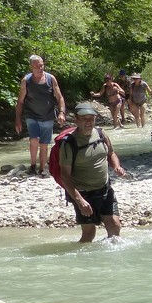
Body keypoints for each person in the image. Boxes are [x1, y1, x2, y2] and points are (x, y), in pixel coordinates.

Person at [58, 101, 129, 243]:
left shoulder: (101, 134)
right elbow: (64, 176)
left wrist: (116, 166)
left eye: (92, 118)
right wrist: (79, 201)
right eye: (84, 119)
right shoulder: (69, 144)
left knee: (115, 226)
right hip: (83, 194)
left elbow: (111, 153)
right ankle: (82, 262)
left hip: (105, 188)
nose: (89, 122)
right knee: (89, 234)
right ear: (77, 120)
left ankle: (111, 263)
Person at [14, 54, 66, 177]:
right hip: (31, 114)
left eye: (42, 65)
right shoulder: (26, 81)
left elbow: (59, 97)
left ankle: (42, 169)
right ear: (31, 67)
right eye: (37, 66)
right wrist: (18, 119)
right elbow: (20, 101)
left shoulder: (50, 79)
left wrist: (62, 112)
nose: (40, 68)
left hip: (47, 115)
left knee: (44, 143)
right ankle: (33, 166)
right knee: (34, 139)